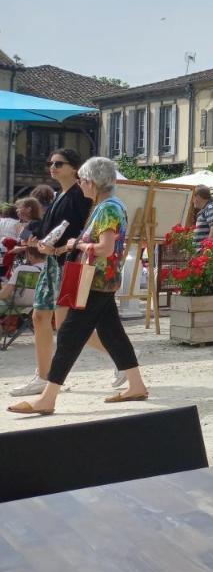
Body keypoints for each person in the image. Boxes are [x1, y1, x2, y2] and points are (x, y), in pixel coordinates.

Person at [8, 157, 149, 416]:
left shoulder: (106, 208)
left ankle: (48, 398)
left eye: (83, 180)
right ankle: (136, 385)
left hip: (94, 280)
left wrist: (79, 245)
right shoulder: (111, 205)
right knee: (112, 334)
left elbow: (105, 248)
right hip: (103, 280)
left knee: (69, 335)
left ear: (93, 182)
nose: (81, 185)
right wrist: (63, 247)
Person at [9, 148, 110, 398]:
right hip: (54, 263)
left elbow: (78, 229)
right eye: (50, 162)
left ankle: (121, 356)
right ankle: (42, 376)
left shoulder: (80, 194)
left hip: (69, 263)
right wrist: (36, 237)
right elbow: (49, 228)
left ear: (74, 168)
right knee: (40, 318)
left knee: (66, 326)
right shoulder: (60, 195)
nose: (52, 167)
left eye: (58, 163)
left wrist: (54, 242)